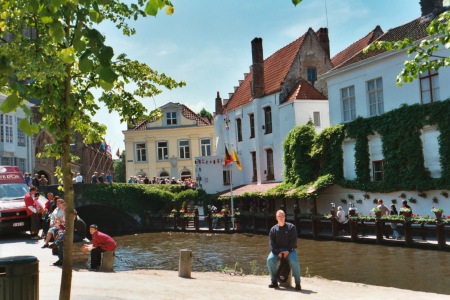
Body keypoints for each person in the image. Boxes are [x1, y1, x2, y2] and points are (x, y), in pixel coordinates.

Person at [267, 210, 301, 291]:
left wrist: (288, 251)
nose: (281, 218)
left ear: (285, 217)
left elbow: (293, 241)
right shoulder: (273, 229)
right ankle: (274, 281)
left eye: (283, 216)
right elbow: (272, 243)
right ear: (276, 218)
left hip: (290, 250)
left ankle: (298, 283)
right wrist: (277, 252)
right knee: (269, 260)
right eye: (279, 216)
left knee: (294, 261)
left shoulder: (291, 227)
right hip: (277, 251)